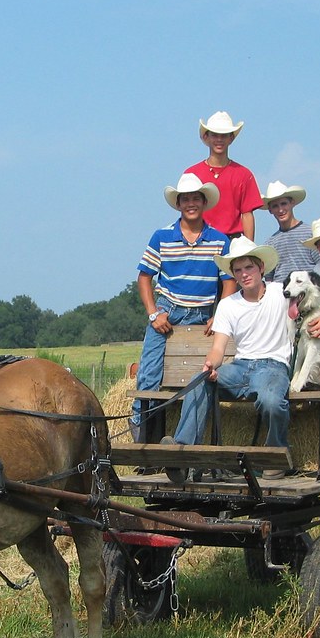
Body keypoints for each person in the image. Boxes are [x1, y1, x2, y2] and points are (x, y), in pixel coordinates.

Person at [163, 238, 291, 479]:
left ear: (261, 267)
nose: (244, 274)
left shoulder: (281, 292)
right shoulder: (228, 304)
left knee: (272, 400)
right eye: (238, 270)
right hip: (240, 367)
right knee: (199, 380)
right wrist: (210, 365)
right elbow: (219, 347)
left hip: (272, 366)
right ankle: (182, 453)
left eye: (249, 267)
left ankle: (276, 453)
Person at [130, 173, 234, 440]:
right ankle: (143, 438)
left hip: (202, 315)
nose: (191, 204)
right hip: (169, 310)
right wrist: (153, 313)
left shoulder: (220, 241)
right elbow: (144, 276)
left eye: (195, 199)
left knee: (202, 376)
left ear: (203, 202)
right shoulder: (162, 236)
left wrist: (220, 315)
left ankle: (184, 441)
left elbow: (229, 281)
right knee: (149, 375)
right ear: (178, 204)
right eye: (185, 199)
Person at [185, 111, 263, 241]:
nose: (219, 140)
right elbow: (186, 212)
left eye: (223, 135)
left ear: (231, 138)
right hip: (200, 241)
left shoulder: (244, 174)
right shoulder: (192, 174)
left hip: (233, 241)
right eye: (214, 135)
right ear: (206, 137)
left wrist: (249, 250)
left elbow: (247, 214)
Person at [259, 180, 320, 282]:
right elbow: (269, 277)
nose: (280, 210)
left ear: (292, 203)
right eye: (275, 206)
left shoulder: (310, 233)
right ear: (270, 210)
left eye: (284, 204)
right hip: (280, 292)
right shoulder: (270, 243)